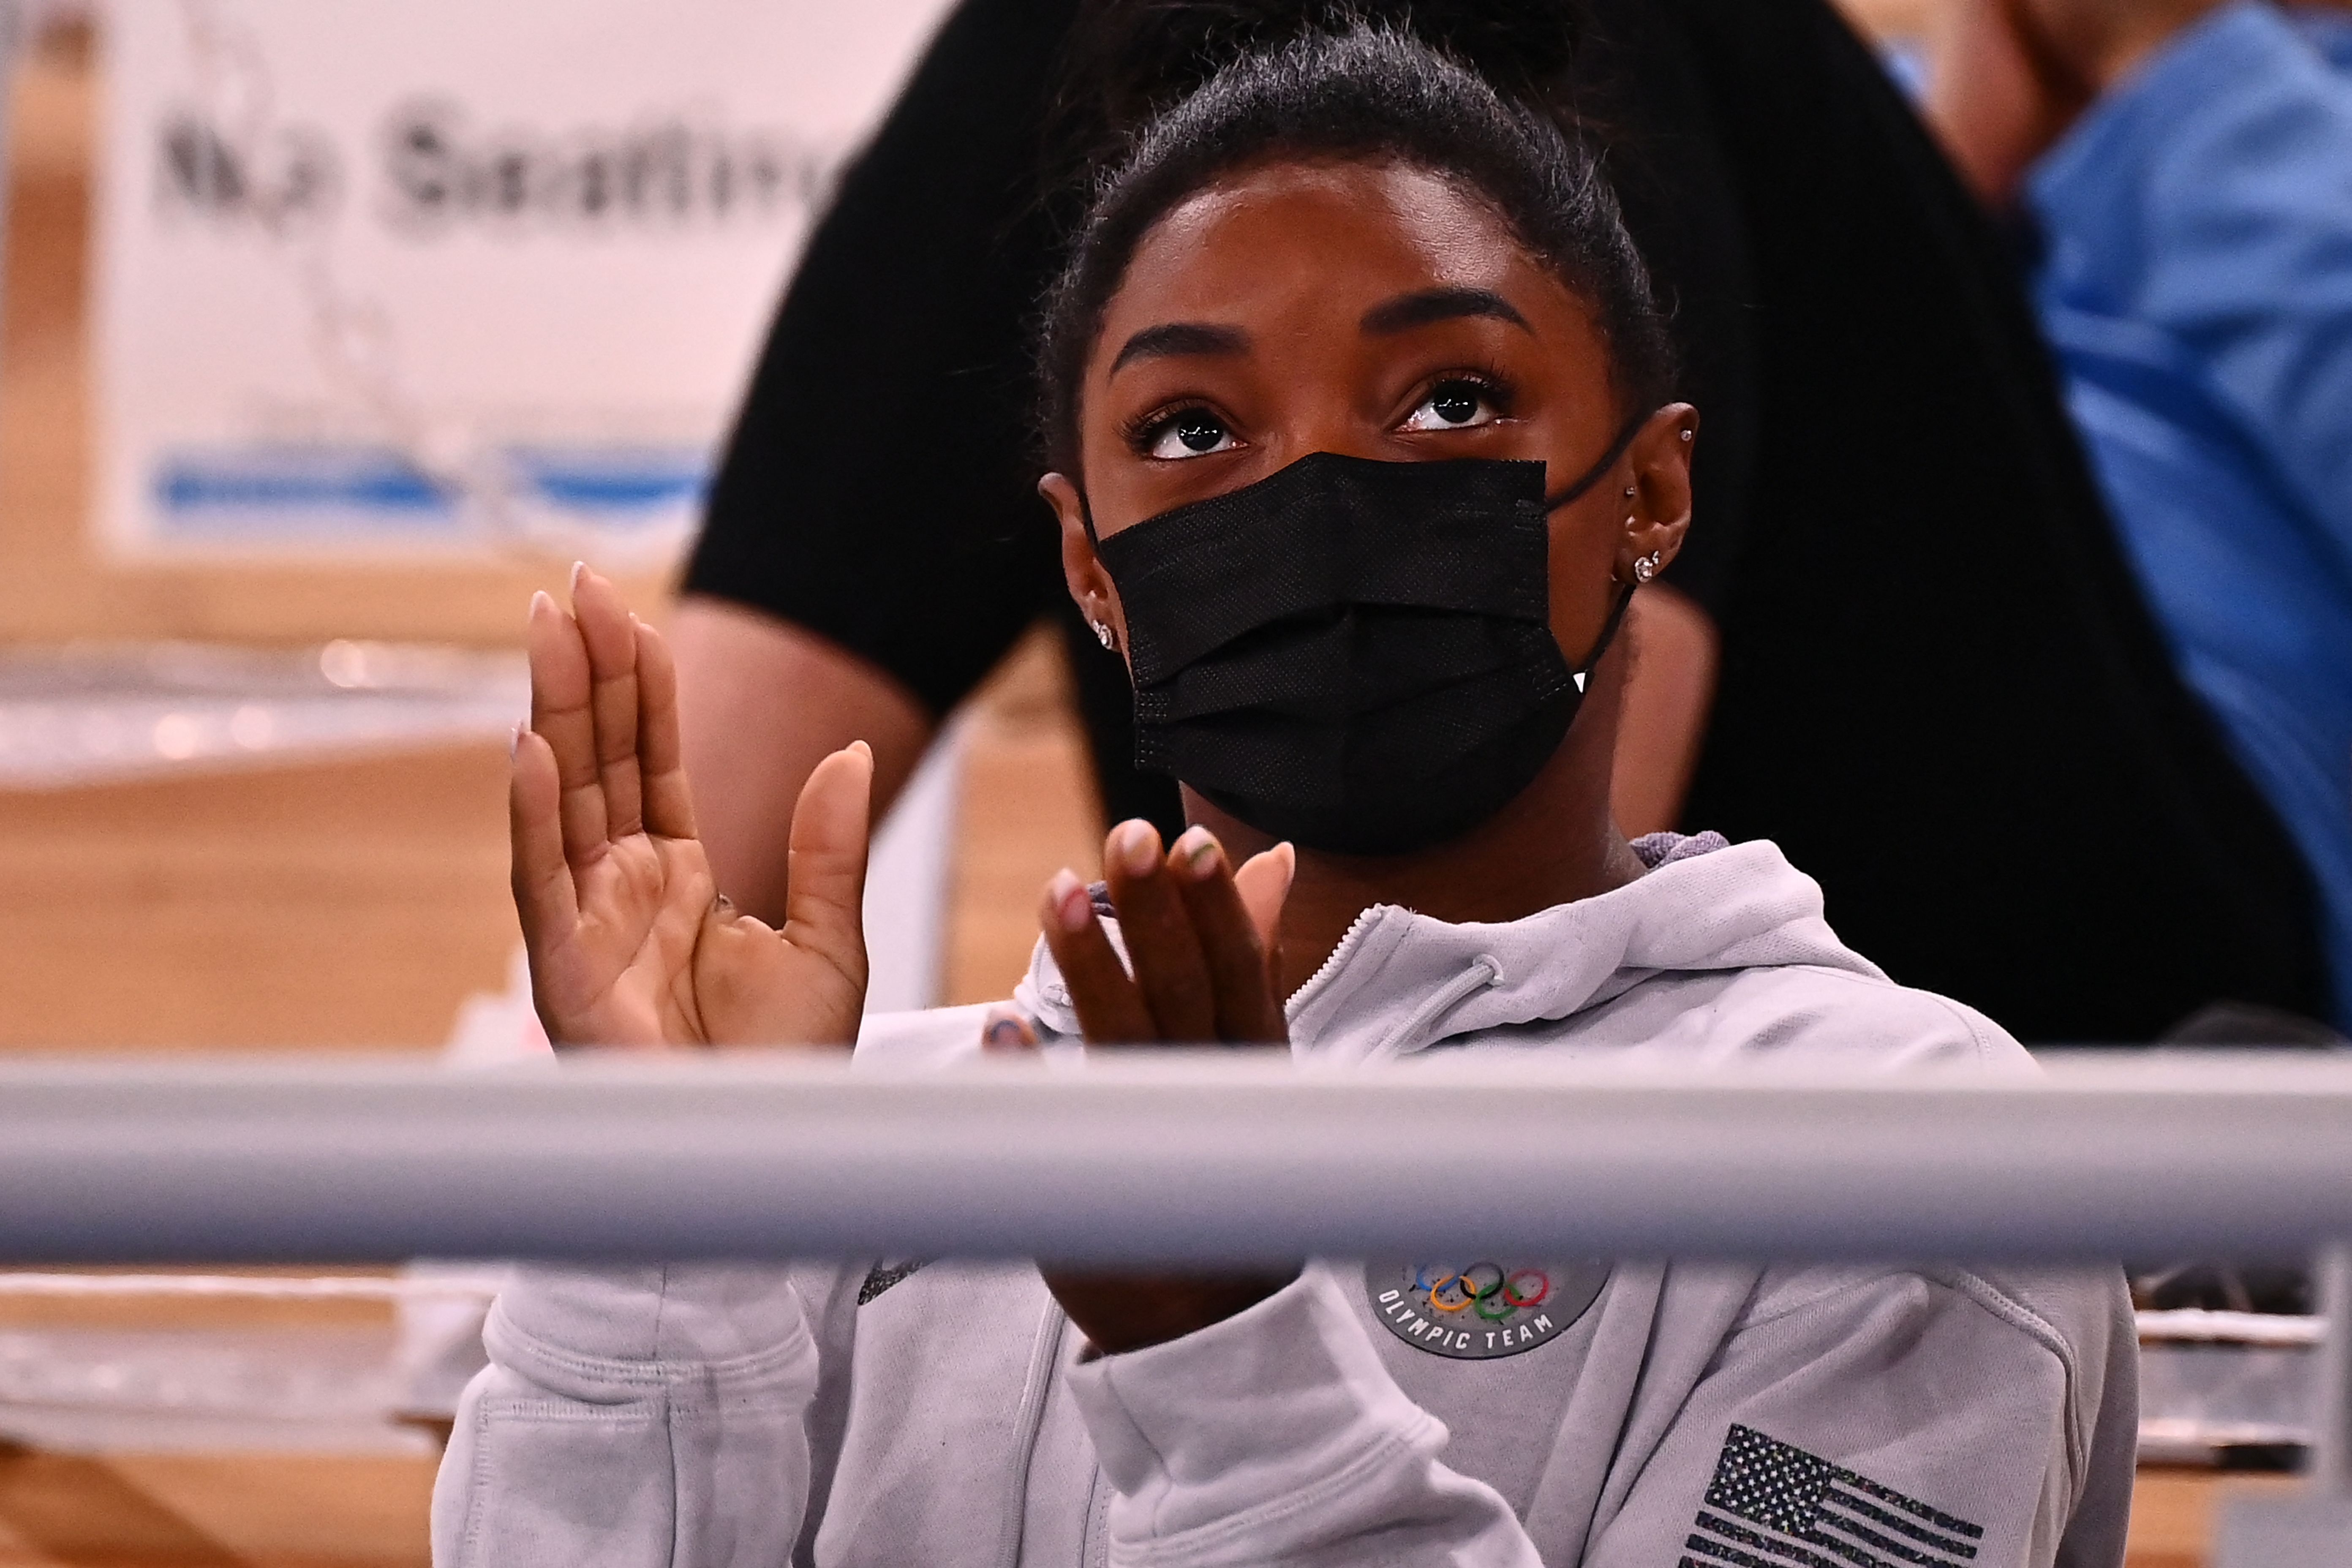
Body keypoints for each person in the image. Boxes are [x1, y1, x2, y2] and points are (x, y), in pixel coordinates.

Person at [440, 33, 2134, 1565]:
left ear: (1656, 491)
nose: (1322, 491)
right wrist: (664, 1253)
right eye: (1191, 426)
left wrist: (1228, 1352)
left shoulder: (1903, 1165)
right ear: (1091, 570)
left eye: (1451, 400)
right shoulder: (881, 1139)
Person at [672, 0, 2328, 1045]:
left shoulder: (2243, 117)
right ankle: (666, 1025)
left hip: (2158, 971)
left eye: (1450, 403)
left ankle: (1458, 1025)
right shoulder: (1876, 123)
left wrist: (2184, 86)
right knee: (1136, 62)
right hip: (1797, 834)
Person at [1926, 0, 2352, 1032]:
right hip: (1848, 731)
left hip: (2217, 865)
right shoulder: (1865, 111)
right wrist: (1933, 198)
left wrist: (2171, 68)